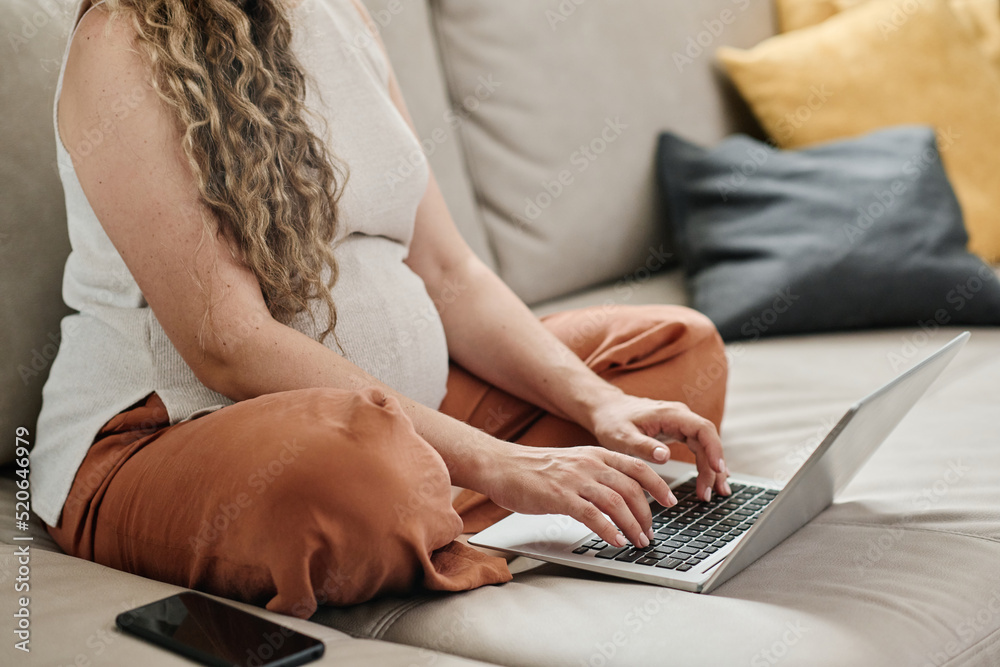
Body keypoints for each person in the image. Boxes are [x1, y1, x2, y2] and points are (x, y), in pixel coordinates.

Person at [32, 0, 731, 619]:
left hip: (402, 417)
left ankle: (428, 505)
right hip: (175, 433)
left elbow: (449, 271)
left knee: (675, 353)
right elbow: (228, 342)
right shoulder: (118, 40)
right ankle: (430, 499)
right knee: (352, 477)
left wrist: (600, 403)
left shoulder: (341, 12)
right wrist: (499, 461)